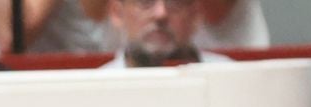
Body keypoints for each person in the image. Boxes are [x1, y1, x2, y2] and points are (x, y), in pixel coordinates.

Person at [97, 0, 234, 66]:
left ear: (196, 14)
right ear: (117, 13)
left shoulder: (229, 76)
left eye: (175, 2)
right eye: (146, 2)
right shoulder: (95, 88)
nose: (161, 13)